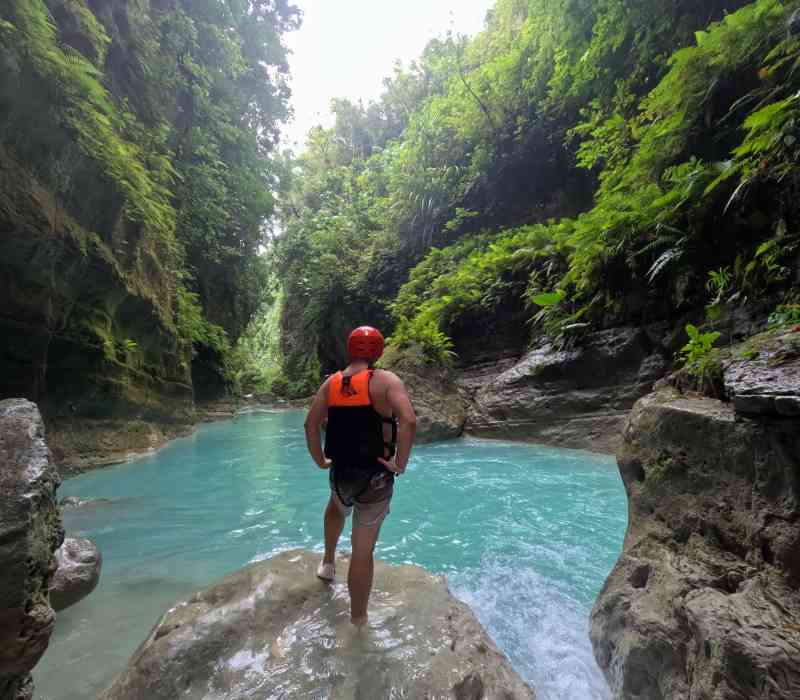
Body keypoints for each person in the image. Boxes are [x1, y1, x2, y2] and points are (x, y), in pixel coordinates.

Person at [304, 326, 417, 627]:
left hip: (341, 472)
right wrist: (400, 463)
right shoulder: (387, 381)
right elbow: (408, 421)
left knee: (336, 507)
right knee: (362, 552)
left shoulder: (331, 383)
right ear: (378, 351)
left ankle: (328, 563)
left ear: (349, 349)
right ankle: (358, 621)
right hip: (376, 476)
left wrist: (320, 460)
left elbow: (310, 425)